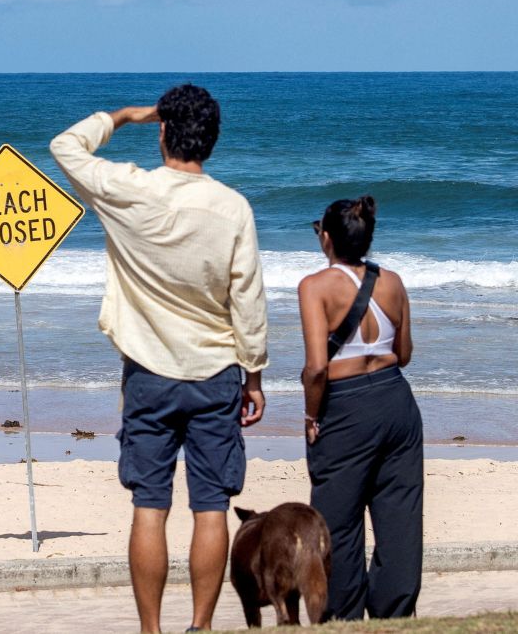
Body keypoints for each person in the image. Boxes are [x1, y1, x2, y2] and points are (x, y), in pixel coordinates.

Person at [50, 84, 268, 634]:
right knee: (211, 504)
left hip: (147, 371)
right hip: (215, 372)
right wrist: (256, 373)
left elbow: (65, 146)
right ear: (213, 141)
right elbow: (248, 299)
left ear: (164, 131)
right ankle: (201, 626)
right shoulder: (232, 207)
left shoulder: (128, 190)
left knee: (150, 504)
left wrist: (123, 116)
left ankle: (151, 630)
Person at [298, 197, 422, 621]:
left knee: (338, 521)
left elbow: (316, 367)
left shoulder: (314, 286)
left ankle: (344, 617)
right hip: (395, 400)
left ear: (327, 238)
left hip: (346, 406)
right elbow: (403, 354)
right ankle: (394, 616)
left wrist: (312, 417)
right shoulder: (393, 281)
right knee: (399, 516)